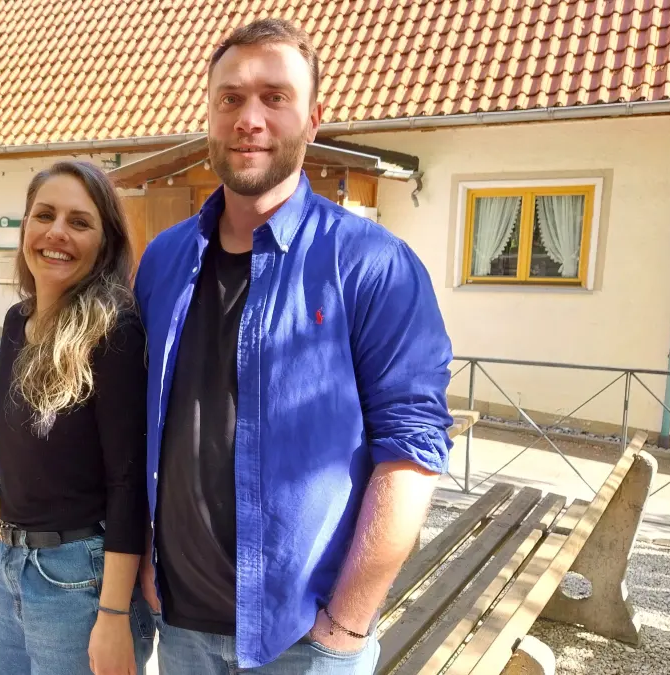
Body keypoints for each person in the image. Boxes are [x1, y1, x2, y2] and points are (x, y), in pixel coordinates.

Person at [133, 18, 455, 675]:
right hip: (182, 624)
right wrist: (146, 560)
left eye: (274, 97)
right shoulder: (164, 260)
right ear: (209, 115)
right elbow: (147, 421)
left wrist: (347, 621)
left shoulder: (372, 264)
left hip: (303, 641)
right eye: (230, 98)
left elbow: (413, 449)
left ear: (313, 117)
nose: (249, 117)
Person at [0, 161, 154, 675]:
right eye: (44, 215)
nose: (56, 232)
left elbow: (128, 483)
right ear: (26, 227)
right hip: (13, 565)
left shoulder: (114, 333)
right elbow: (17, 466)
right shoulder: (16, 322)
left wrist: (114, 614)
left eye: (80, 222)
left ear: (105, 243)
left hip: (80, 578)